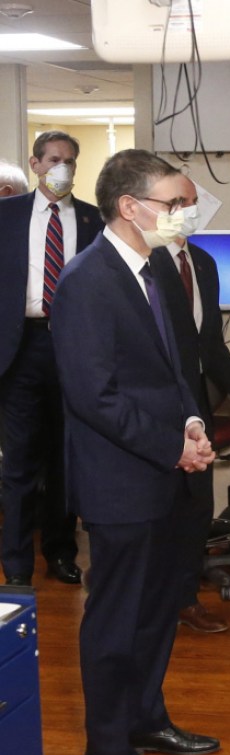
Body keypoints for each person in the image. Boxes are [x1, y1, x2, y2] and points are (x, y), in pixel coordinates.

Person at [52, 149, 221, 755]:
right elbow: (93, 397)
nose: (184, 215)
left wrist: (193, 426)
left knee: (158, 609)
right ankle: (108, 747)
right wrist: (169, 445)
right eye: (174, 204)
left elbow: (178, 368)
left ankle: (148, 719)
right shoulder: (87, 282)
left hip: (170, 470)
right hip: (122, 479)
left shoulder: (154, 269)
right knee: (116, 618)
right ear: (130, 207)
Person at [151, 173, 230, 634]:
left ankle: (185, 600)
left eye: (191, 201)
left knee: (195, 507)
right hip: (158, 405)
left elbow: (211, 345)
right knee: (159, 508)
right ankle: (157, 601)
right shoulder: (147, 264)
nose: (186, 209)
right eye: (176, 201)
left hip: (196, 402)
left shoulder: (202, 262)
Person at [0, 131, 104, 587]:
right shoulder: (6, 215)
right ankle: (16, 566)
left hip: (74, 348)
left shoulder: (93, 220)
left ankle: (60, 552)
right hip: (19, 347)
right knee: (19, 464)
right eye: (55, 160)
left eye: (70, 162)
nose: (62, 168)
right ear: (36, 164)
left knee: (66, 459)